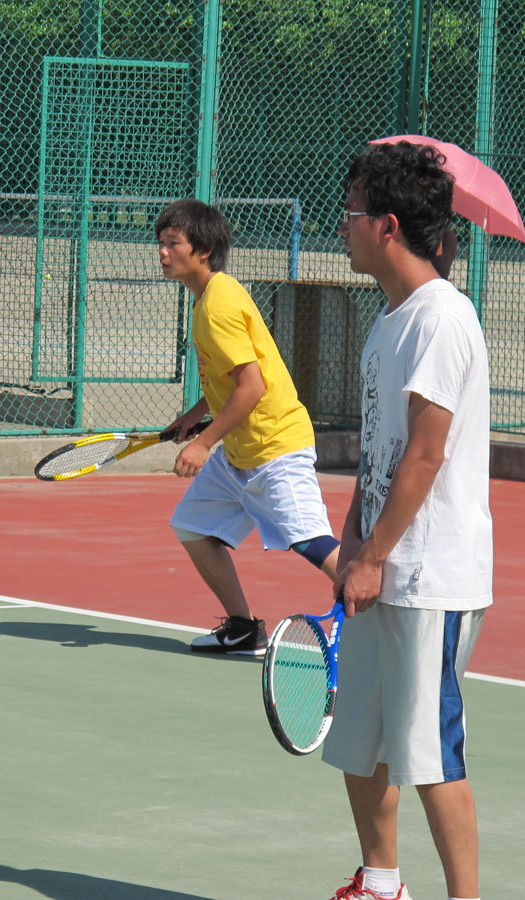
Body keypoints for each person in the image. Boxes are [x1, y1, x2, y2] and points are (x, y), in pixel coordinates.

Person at [321, 141, 493, 900]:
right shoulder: (388, 321)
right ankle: (382, 883)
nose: (342, 225)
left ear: (387, 226)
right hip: (382, 564)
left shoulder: (442, 319)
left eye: (352, 212)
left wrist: (374, 556)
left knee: (431, 757)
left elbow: (425, 454)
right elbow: (381, 449)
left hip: (430, 577)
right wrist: (354, 536)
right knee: (361, 743)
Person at [154, 198, 341, 656]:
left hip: (275, 447)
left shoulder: (216, 307)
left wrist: (202, 443)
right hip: (241, 453)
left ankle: (389, 615)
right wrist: (195, 415)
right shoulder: (213, 295)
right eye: (160, 243)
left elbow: (252, 387)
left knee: (312, 543)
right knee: (193, 526)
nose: (162, 252)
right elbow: (231, 375)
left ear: (203, 251)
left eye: (173, 243)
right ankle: (242, 628)